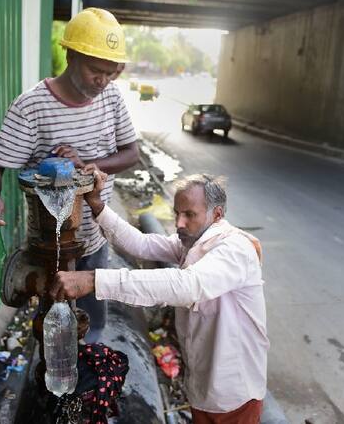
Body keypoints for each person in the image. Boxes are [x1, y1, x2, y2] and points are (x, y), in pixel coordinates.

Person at [0, 8, 139, 343]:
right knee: (55, 326)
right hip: (51, 247)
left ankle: (89, 362)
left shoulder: (112, 97)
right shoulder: (32, 108)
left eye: (111, 73)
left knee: (93, 325)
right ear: (71, 55)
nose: (103, 81)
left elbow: (131, 154)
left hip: (96, 236)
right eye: (96, 71)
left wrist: (88, 162)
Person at [51, 170, 269, 424]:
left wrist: (94, 280)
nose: (179, 223)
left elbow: (189, 285)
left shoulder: (235, 248)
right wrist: (97, 205)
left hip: (234, 394)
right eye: (177, 213)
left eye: (189, 214)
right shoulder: (192, 243)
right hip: (203, 385)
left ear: (217, 214)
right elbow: (141, 245)